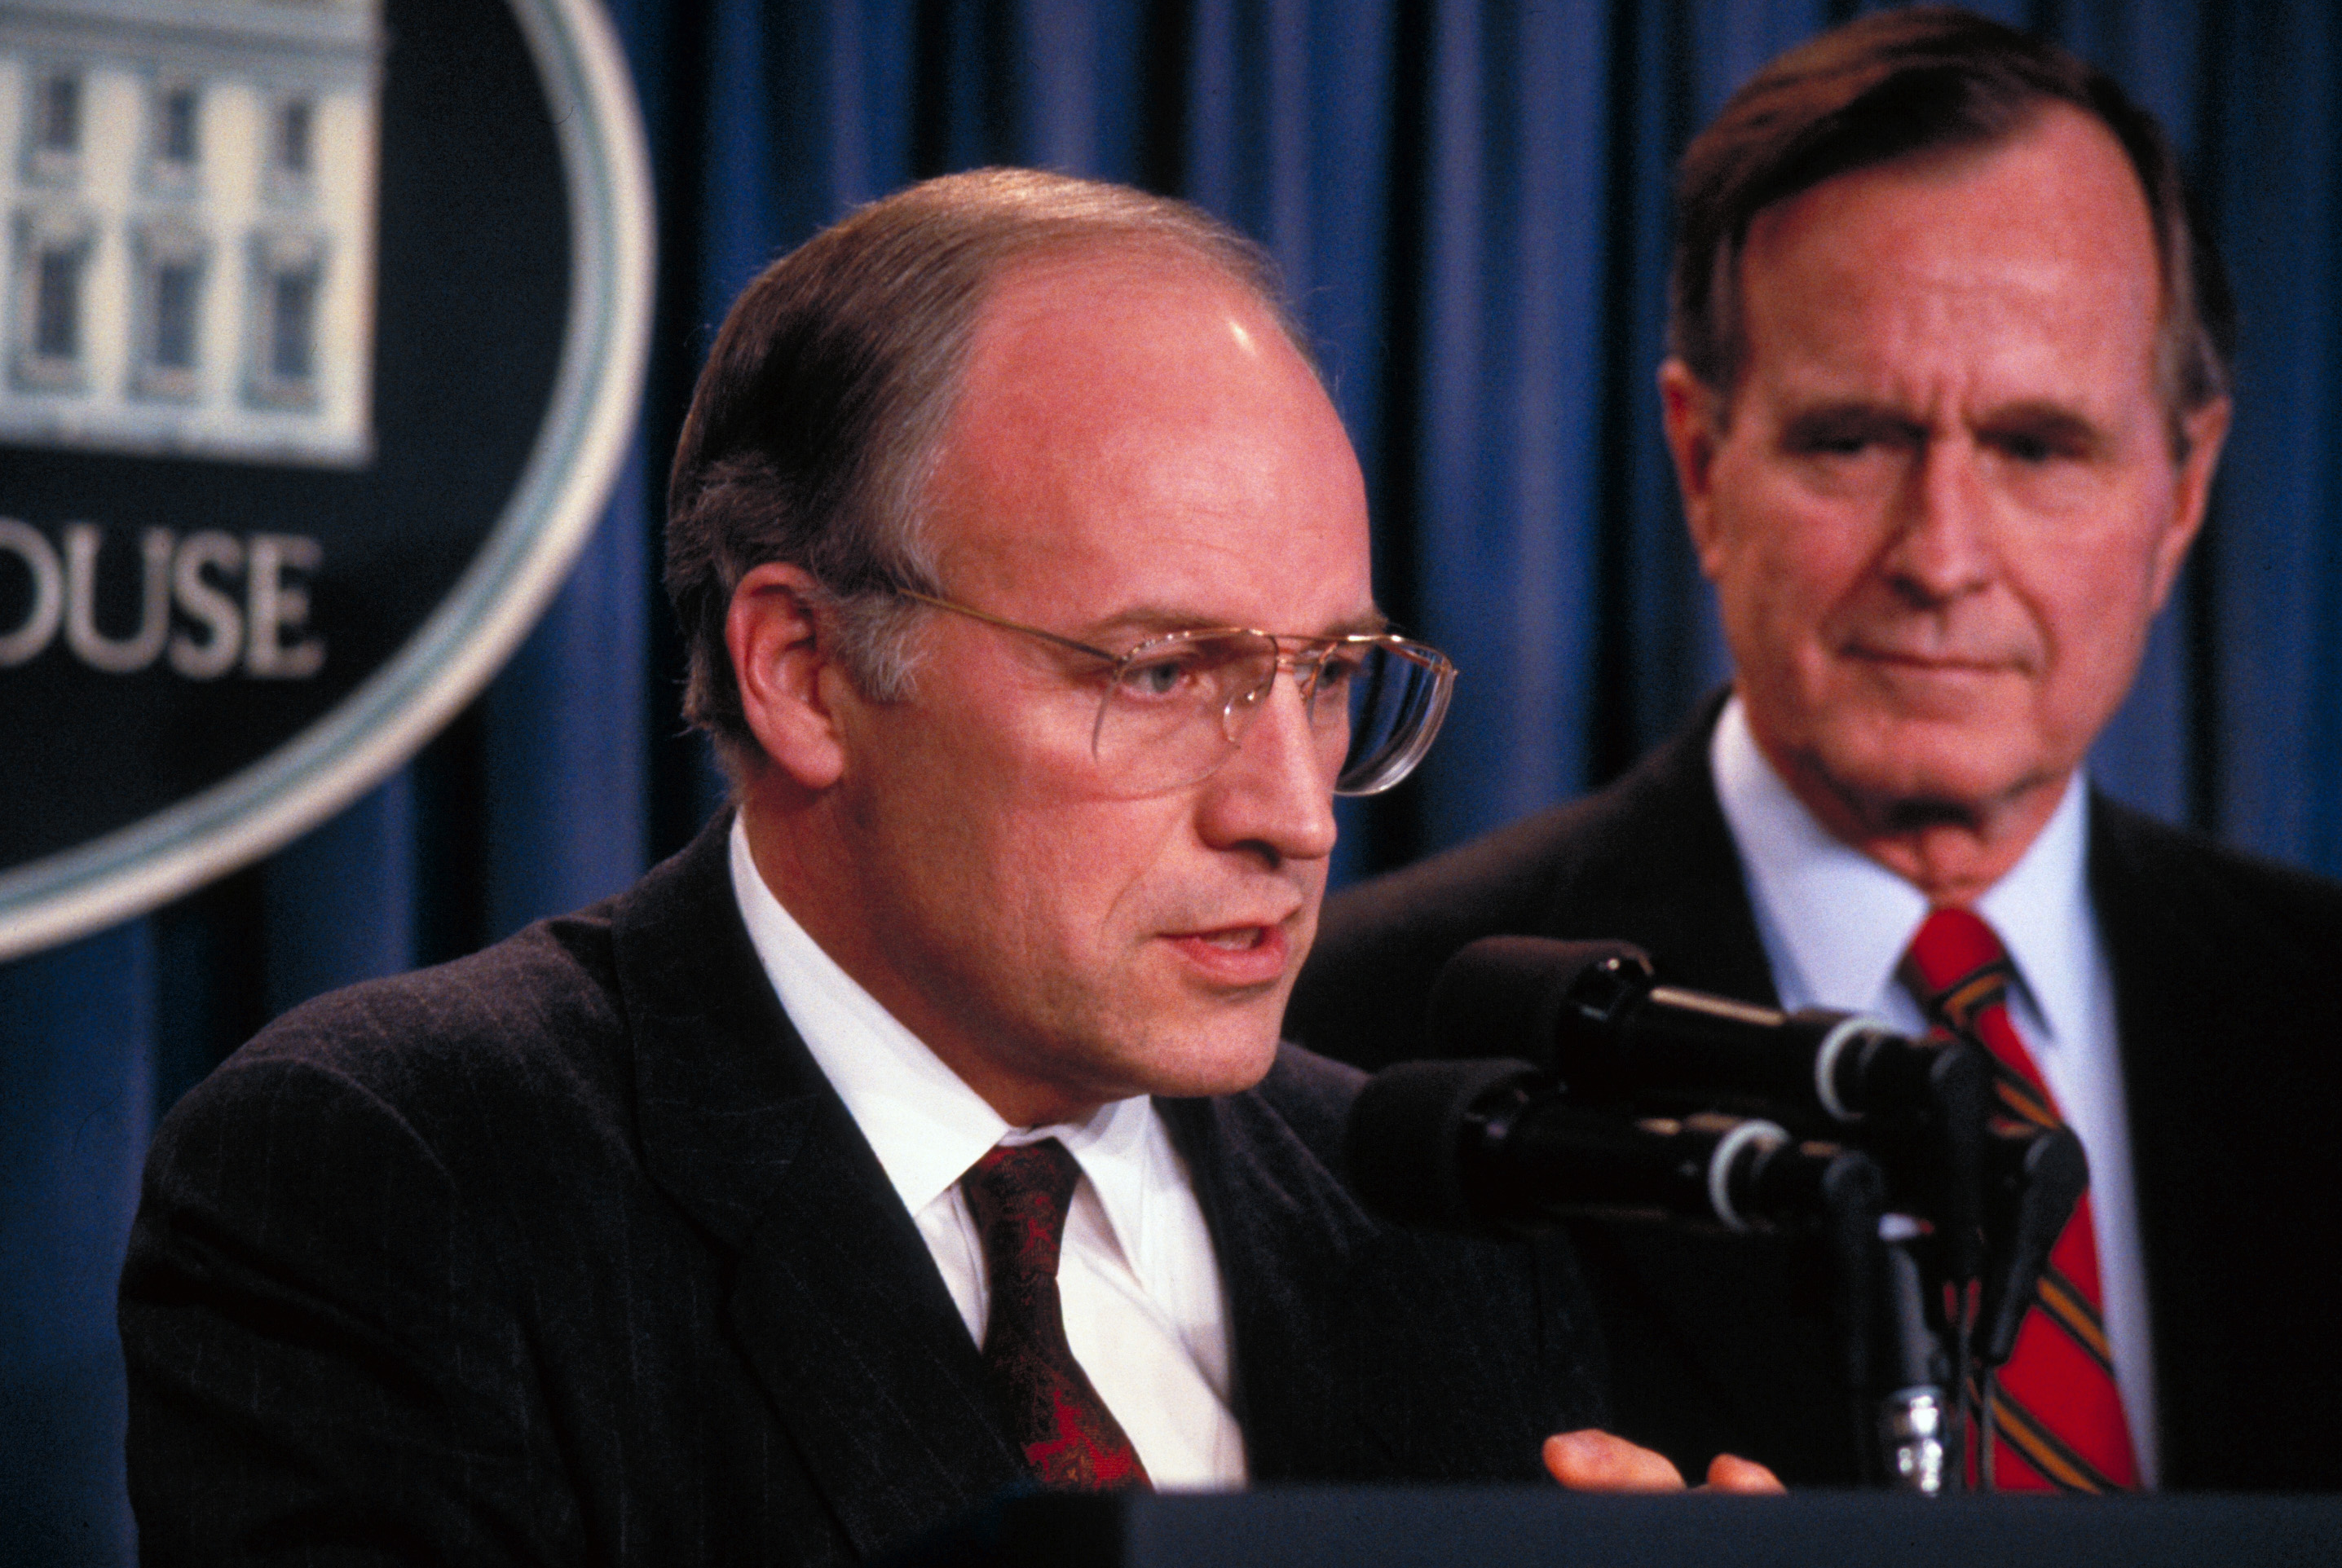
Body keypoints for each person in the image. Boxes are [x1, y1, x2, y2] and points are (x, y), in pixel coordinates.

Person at [120, 169, 1763, 1566]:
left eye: (1330, 673)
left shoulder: (1435, 1222)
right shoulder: (404, 1176)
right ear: (806, 672)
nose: (1298, 810)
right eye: (1165, 671)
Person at [1290, 7, 2342, 1494]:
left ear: (2178, 499)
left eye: (2038, 448)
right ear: (1703, 467)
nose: (1942, 554)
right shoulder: (1363, 1037)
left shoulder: (2317, 1019)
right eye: (1851, 439)